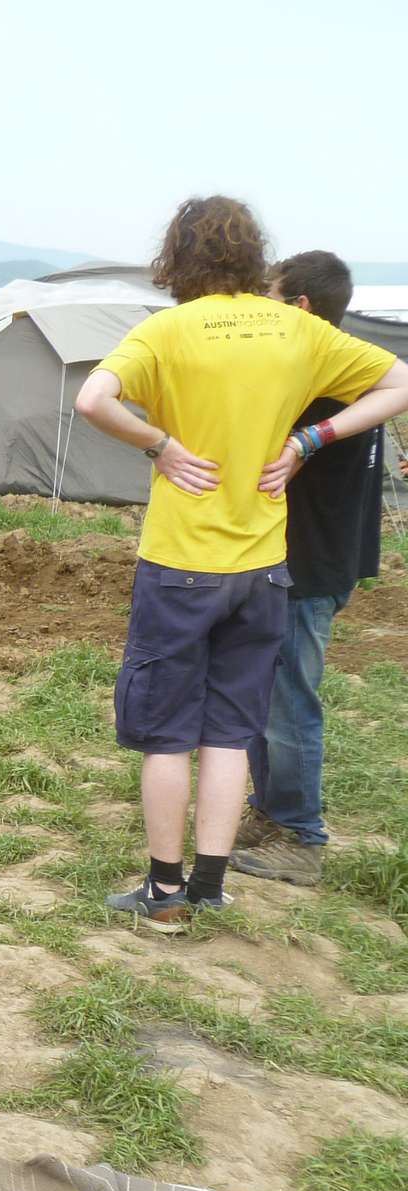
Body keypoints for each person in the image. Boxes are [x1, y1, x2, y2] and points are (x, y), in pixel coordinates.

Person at [75, 197, 408, 930]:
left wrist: (159, 446)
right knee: (230, 731)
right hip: (264, 567)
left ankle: (163, 895)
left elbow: (93, 397)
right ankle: (212, 885)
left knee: (167, 736)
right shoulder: (299, 328)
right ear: (255, 255)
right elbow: (399, 381)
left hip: (180, 563)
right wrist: (307, 442)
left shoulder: (164, 331)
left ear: (177, 258)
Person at [232, 252, 393, 886]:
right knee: (265, 690)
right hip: (323, 556)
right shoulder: (354, 368)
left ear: (299, 307)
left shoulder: (326, 375)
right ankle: (270, 811)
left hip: (308, 562)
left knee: (287, 699)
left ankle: (300, 834)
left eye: (268, 297)